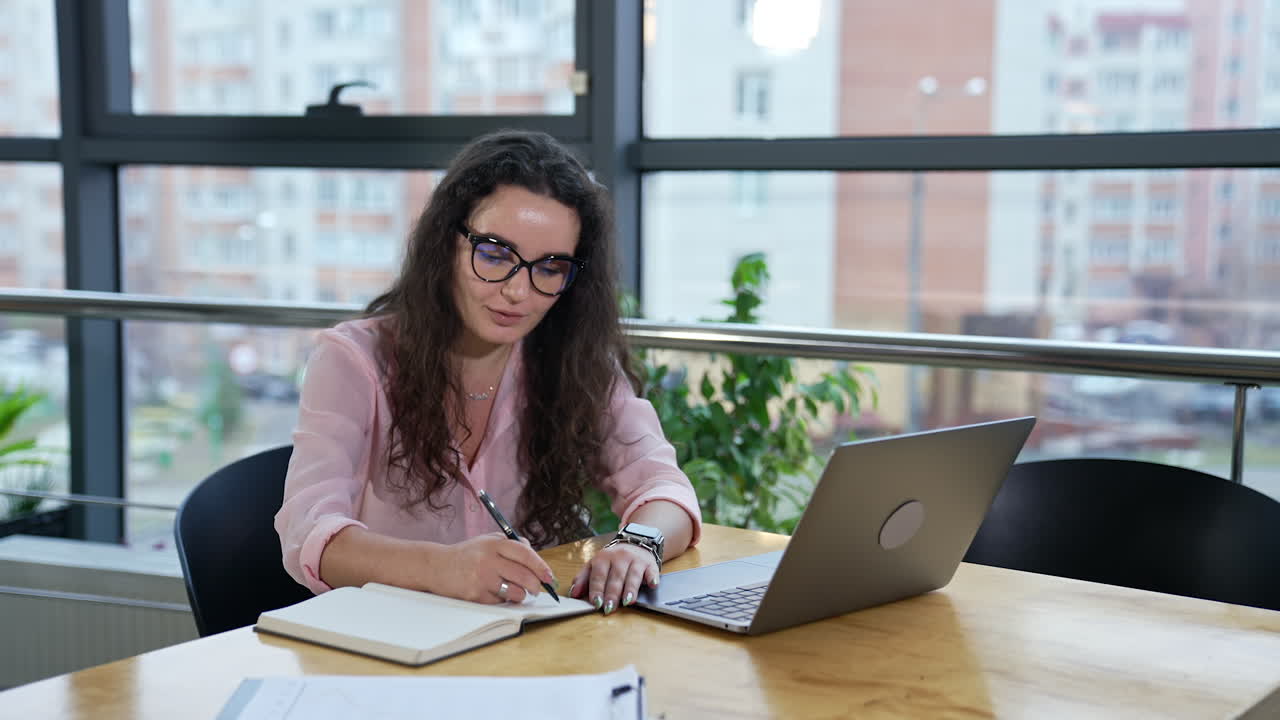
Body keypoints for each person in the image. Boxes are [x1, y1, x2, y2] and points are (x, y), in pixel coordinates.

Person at [276, 129, 700, 616]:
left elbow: (664, 488)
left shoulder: (574, 362)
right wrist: (441, 568)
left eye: (550, 267)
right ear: (446, 244)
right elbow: (309, 533)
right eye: (496, 254)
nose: (519, 291)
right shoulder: (353, 358)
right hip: (387, 646)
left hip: (522, 642)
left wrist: (638, 544)